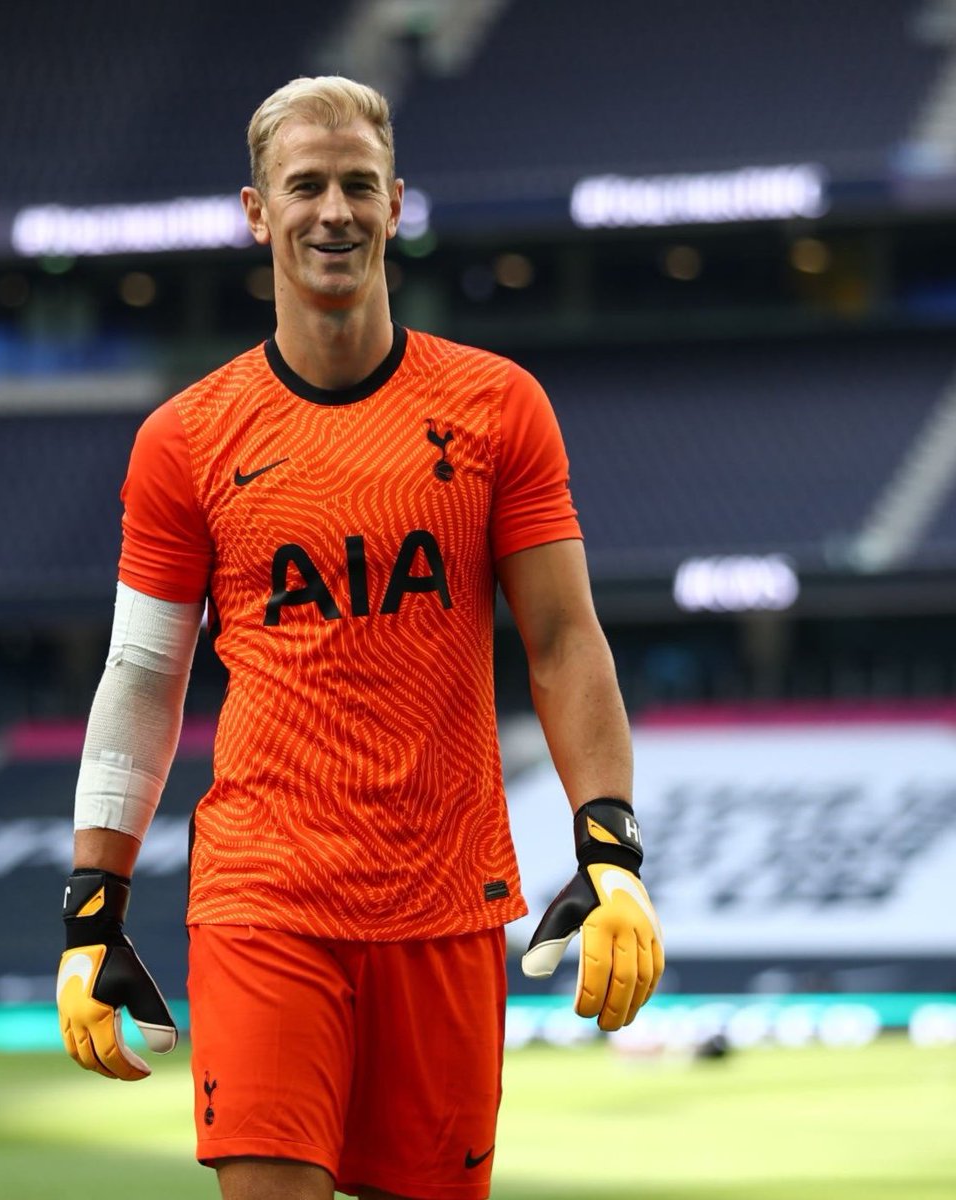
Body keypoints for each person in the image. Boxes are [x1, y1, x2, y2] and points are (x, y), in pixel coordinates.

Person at [56, 76, 663, 1200]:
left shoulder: (498, 409)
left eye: (356, 186)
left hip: (445, 901)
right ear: (255, 210)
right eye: (305, 187)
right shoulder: (184, 439)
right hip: (265, 899)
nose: (332, 211)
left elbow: (567, 639)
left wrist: (611, 848)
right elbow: (144, 675)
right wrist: (94, 905)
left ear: (397, 206)